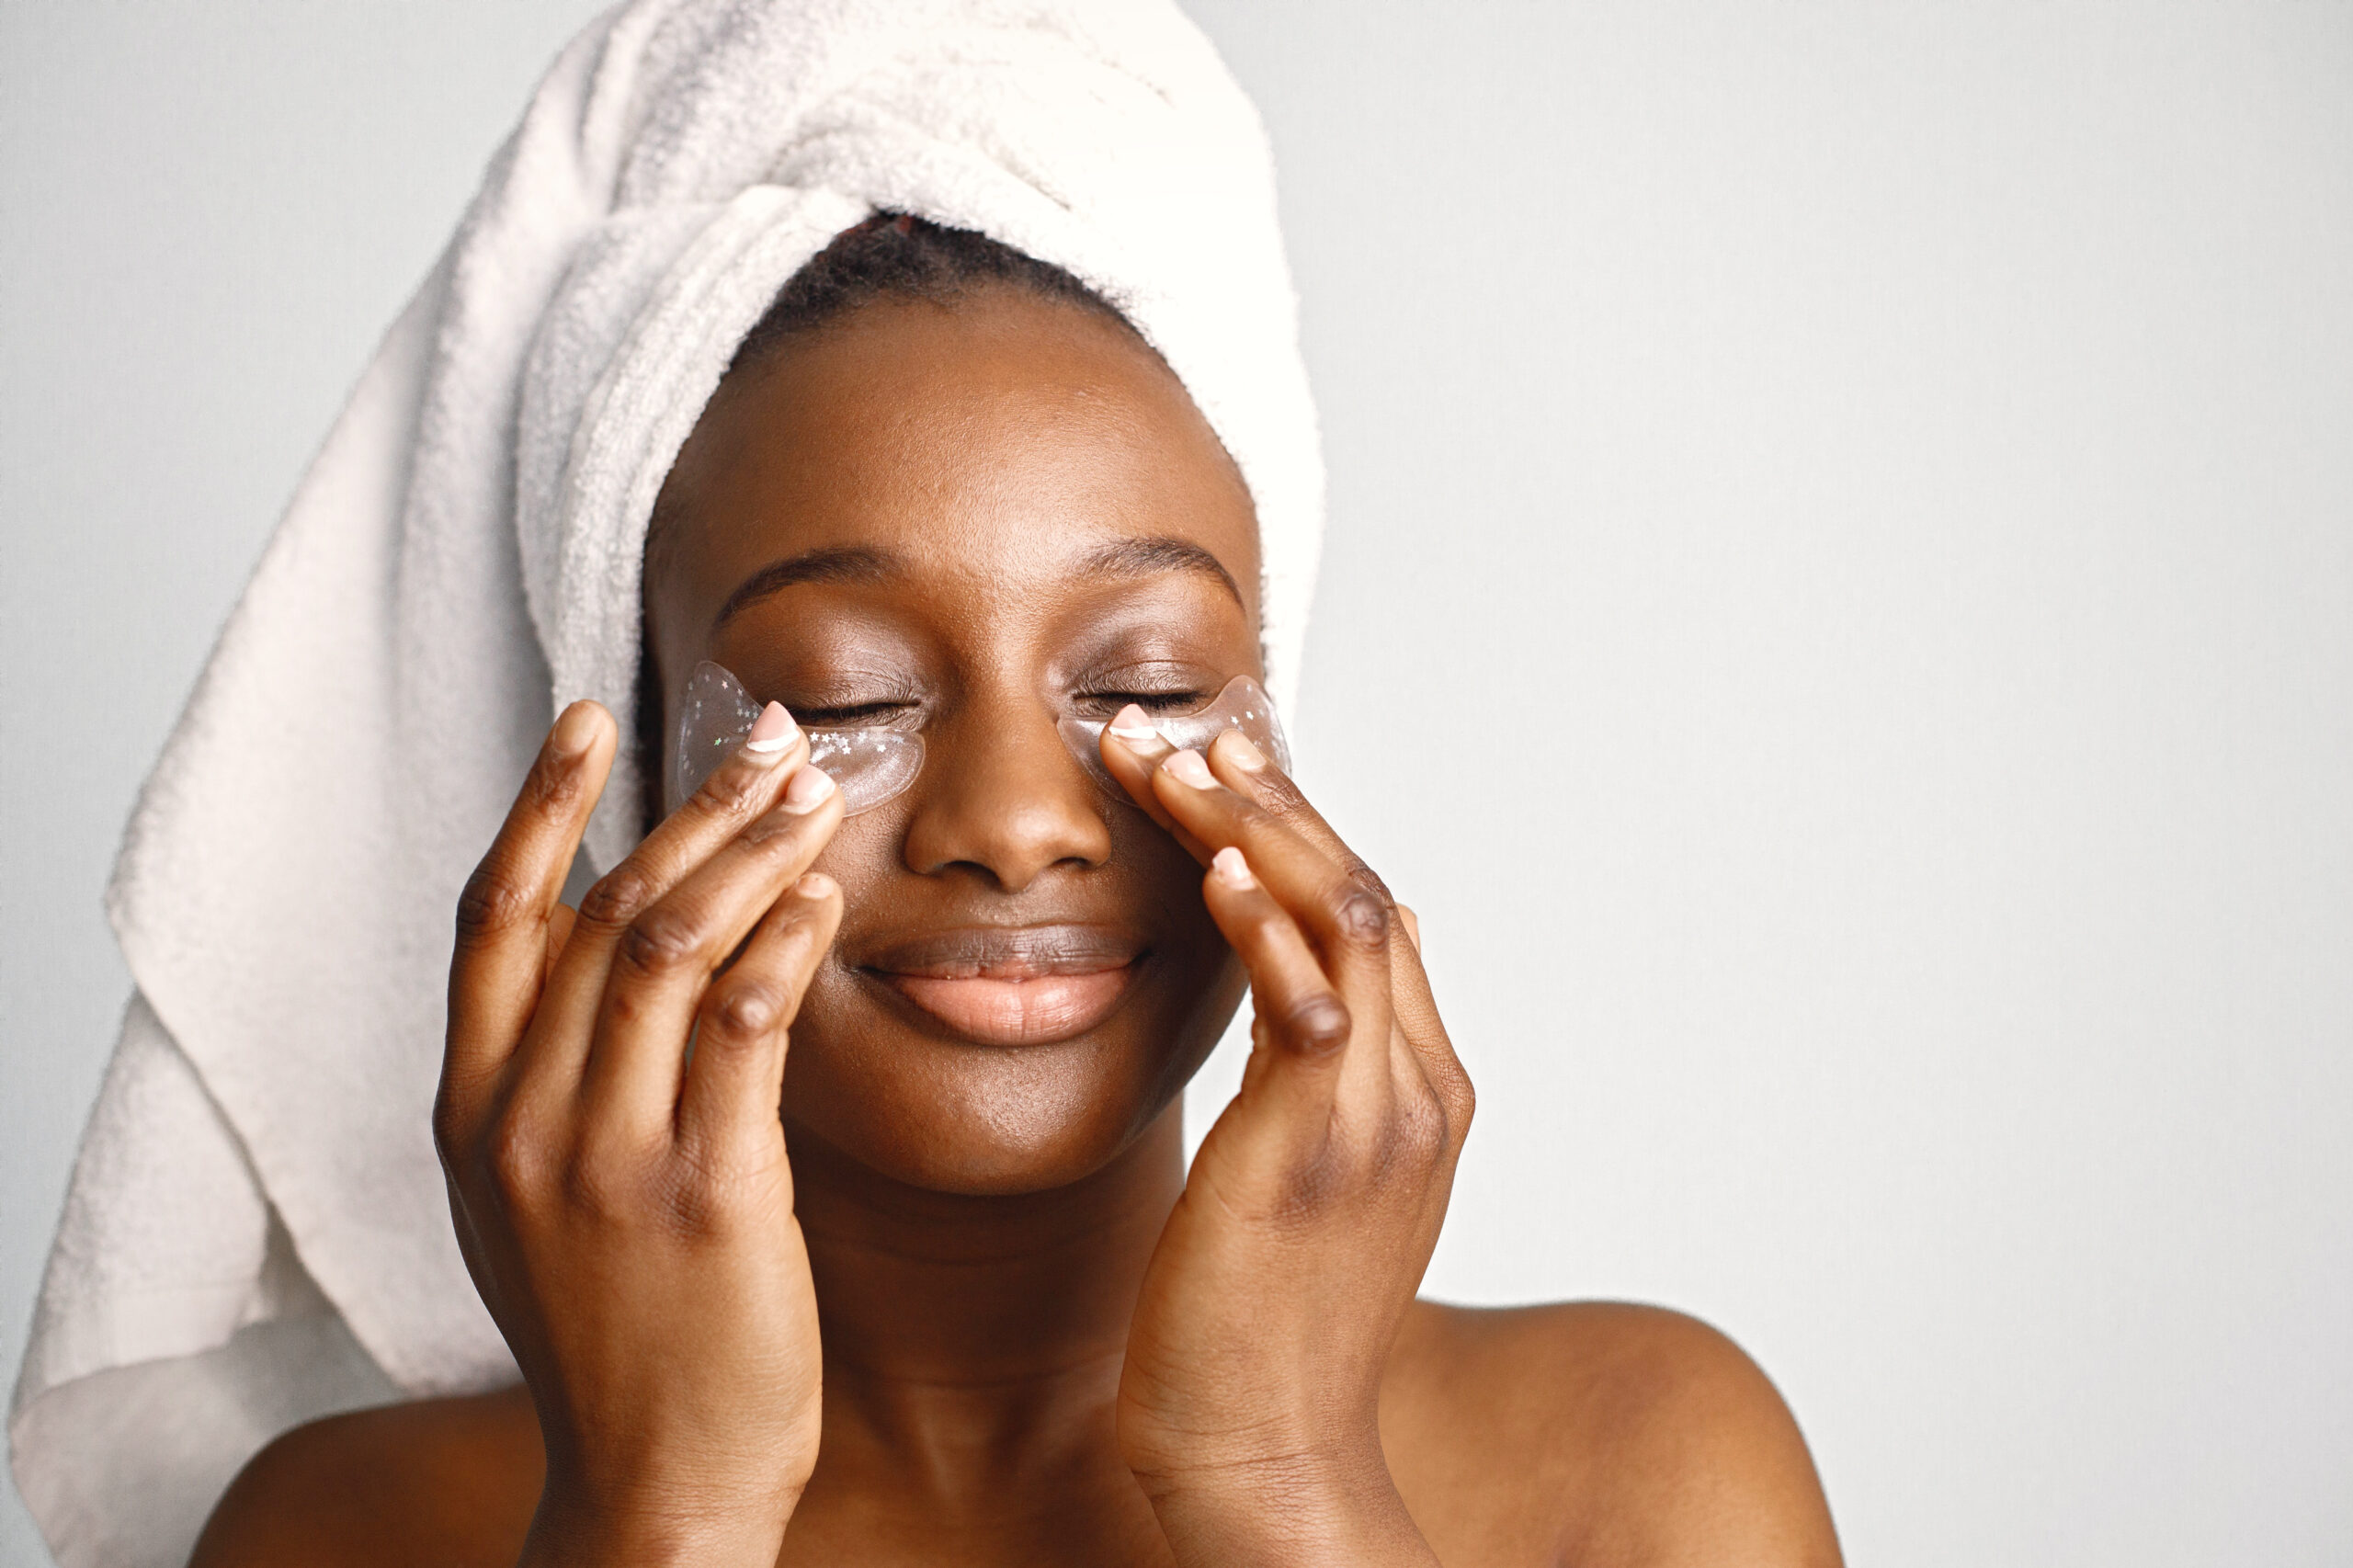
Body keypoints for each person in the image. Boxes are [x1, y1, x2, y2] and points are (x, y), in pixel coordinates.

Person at [18, 7, 1839, 1566]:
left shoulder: (1635, 1465)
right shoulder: (348, 1532)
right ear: (625, 785)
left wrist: (1283, 1488)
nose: (1019, 817)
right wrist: (661, 1513)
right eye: (844, 696)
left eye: (1139, 680)